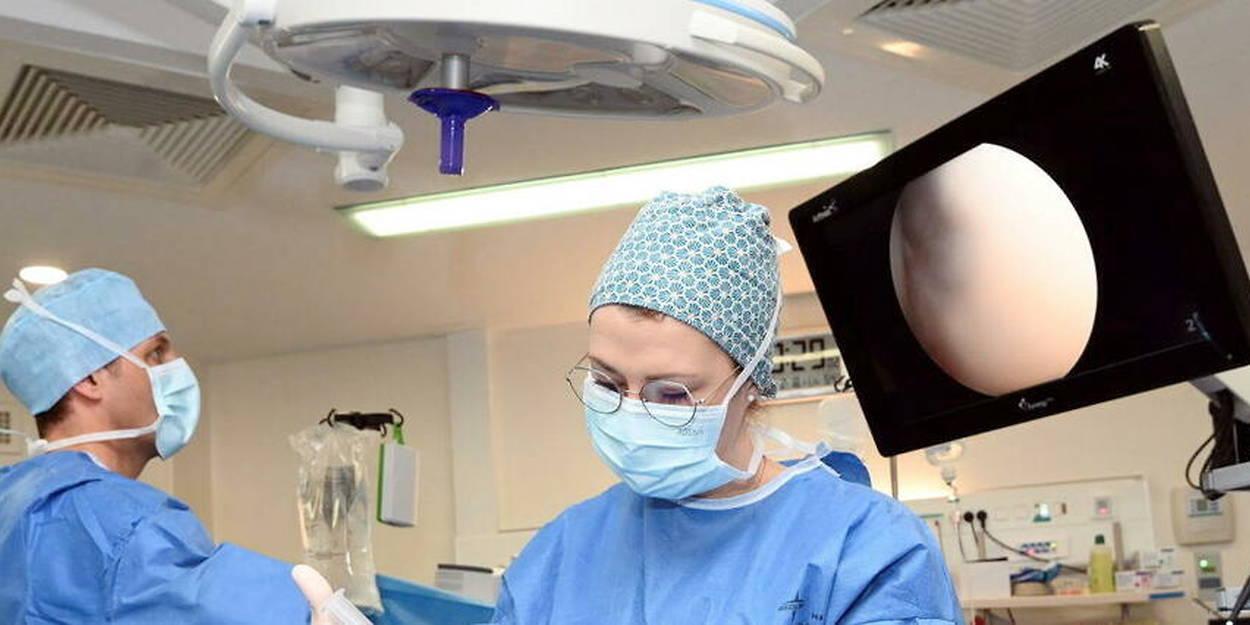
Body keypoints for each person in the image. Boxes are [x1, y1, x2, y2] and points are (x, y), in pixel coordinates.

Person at [490, 187, 962, 624]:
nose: (629, 411)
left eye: (671, 394)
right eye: (607, 383)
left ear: (749, 383)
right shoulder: (559, 556)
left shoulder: (865, 547)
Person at [0, 269, 320, 624]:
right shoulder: (122, 523)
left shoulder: (10, 499)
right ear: (89, 378)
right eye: (156, 353)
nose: (176, 366)